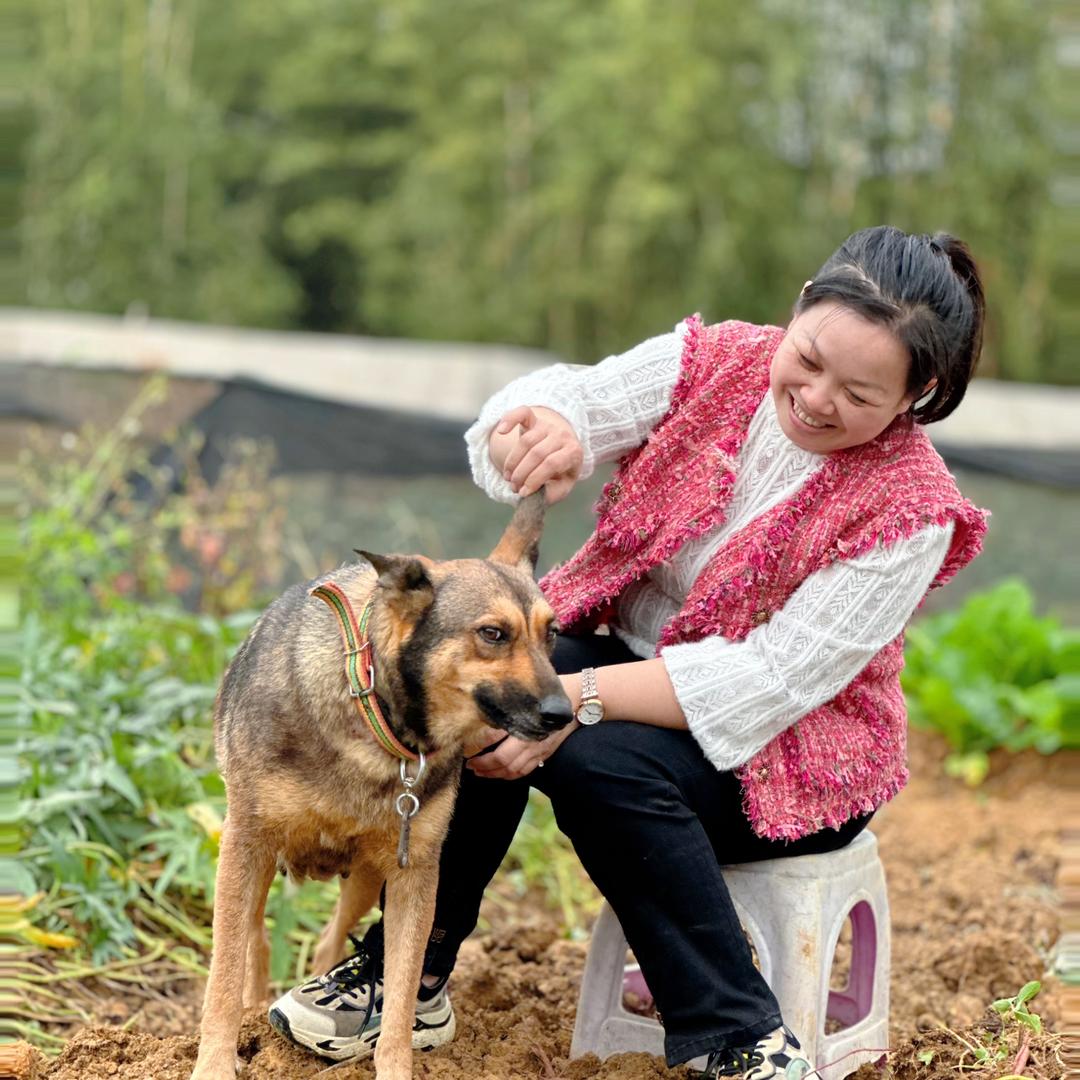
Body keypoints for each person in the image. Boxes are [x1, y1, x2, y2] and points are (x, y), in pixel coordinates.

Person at [269, 225, 988, 1079]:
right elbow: (578, 396)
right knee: (489, 697)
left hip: (793, 755)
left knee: (594, 758)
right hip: (630, 668)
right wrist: (543, 431)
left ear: (919, 393)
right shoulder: (719, 361)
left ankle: (739, 1036)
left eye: (860, 393)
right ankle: (409, 975)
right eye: (809, 359)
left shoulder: (911, 509)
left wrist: (581, 698)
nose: (817, 397)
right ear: (797, 308)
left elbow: (769, 682)